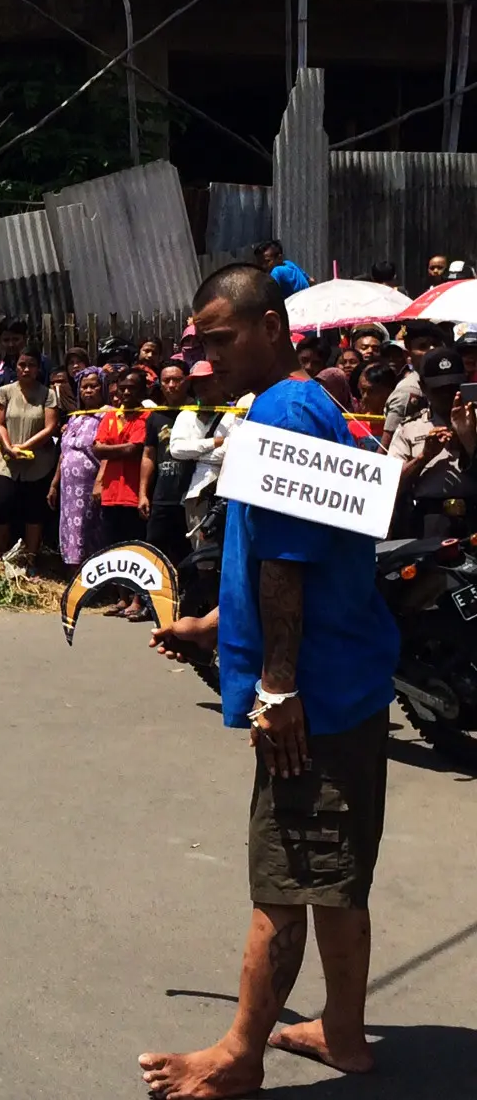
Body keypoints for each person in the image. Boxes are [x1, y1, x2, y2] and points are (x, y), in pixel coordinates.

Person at [141, 264, 398, 1100]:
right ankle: (346, 1035)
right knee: (334, 873)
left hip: (314, 694)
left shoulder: (284, 413)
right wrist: (214, 627)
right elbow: (303, 550)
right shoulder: (313, 402)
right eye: (200, 343)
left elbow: (289, 563)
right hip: (348, 677)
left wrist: (277, 686)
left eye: (222, 339)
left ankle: (238, 1057)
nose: (207, 359)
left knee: (286, 877)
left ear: (271, 325)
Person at [389, 346, 477, 539]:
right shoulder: (410, 427)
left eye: (453, 388)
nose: (447, 396)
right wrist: (424, 456)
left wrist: (469, 442)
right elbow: (391, 484)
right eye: (439, 390)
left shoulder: (475, 419)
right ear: (423, 387)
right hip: (429, 520)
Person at [0, 348, 59, 575]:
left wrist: (25, 447)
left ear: (38, 368)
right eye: (21, 365)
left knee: (34, 512)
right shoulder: (4, 392)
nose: (26, 369)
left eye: (31, 365)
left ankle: (30, 559)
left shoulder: (48, 394)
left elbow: (50, 427)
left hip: (38, 463)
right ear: (15, 367)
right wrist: (8, 447)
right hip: (7, 461)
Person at [93, 370, 148, 617]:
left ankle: (138, 599)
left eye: (132, 388)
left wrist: (110, 449)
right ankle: (122, 598)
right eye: (122, 387)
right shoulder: (110, 417)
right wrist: (117, 449)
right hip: (111, 493)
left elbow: (135, 450)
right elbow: (97, 449)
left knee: (137, 547)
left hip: (134, 493)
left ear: (142, 390)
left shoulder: (147, 417)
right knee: (114, 547)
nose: (126, 392)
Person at [168, 361, 238, 544]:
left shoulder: (235, 413)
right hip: (195, 494)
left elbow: (232, 451)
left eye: (207, 380)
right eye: (197, 382)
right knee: (201, 557)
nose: (201, 387)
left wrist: (196, 454)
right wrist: (212, 443)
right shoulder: (186, 415)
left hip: (226, 493)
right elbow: (176, 449)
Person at [48, 368, 109, 566]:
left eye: (94, 386)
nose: (88, 391)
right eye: (84, 387)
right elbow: (64, 454)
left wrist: (100, 482)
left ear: (103, 388)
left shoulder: (107, 415)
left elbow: (107, 452)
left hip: (90, 486)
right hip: (68, 489)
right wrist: (54, 484)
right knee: (71, 530)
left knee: (88, 530)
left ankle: (93, 580)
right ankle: (74, 577)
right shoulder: (75, 417)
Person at [139, 360, 193, 565]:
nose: (171, 385)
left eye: (177, 380)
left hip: (192, 496)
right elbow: (148, 455)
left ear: (187, 381)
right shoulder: (156, 417)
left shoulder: (200, 410)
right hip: (162, 496)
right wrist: (143, 493)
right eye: (166, 380)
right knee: (153, 548)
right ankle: (142, 596)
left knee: (189, 552)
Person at [382, 320, 444, 443]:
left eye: (436, 344)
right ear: (407, 355)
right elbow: (387, 444)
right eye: (423, 347)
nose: (432, 350)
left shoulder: (446, 381)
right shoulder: (408, 391)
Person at [0, 318, 50, 388]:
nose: (11, 344)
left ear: (25, 338)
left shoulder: (42, 363)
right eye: (6, 340)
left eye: (16, 339)